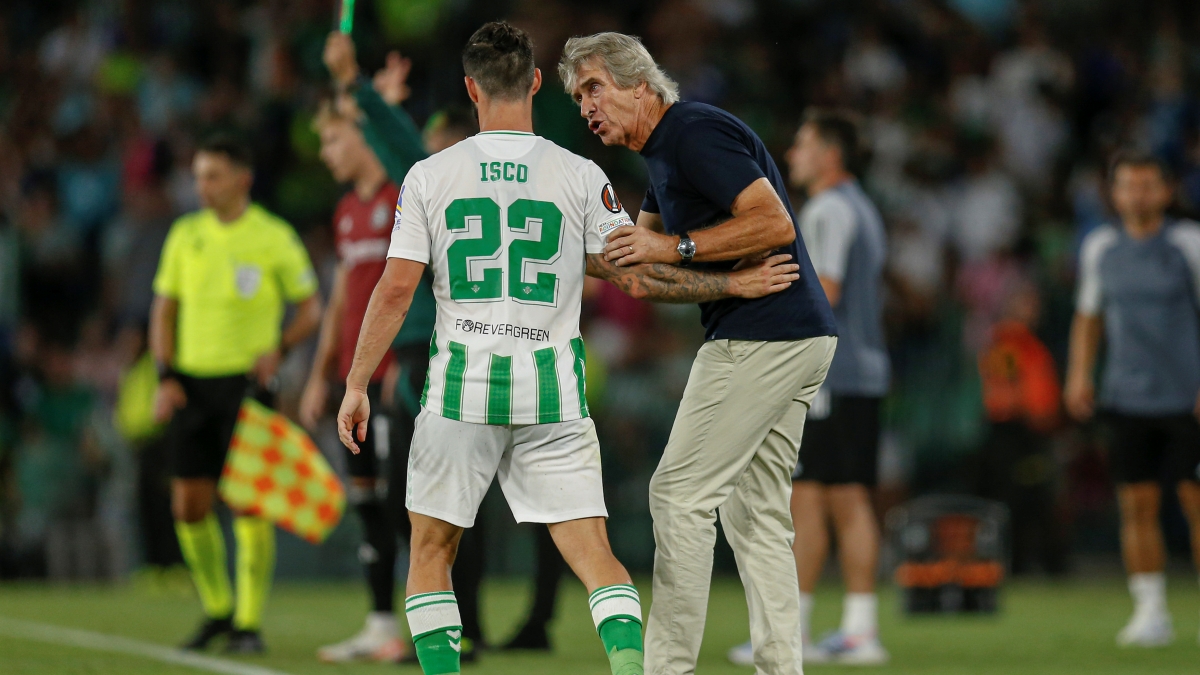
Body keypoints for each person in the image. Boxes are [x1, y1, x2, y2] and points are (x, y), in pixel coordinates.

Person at [336, 22, 799, 675]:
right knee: (595, 556)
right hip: (551, 391)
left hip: (460, 389)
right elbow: (636, 274)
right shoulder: (579, 174)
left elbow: (393, 291)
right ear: (531, 83)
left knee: (431, 549)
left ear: (471, 89)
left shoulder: (429, 176)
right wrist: (731, 281)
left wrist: (357, 382)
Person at [560, 33, 839, 675]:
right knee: (757, 514)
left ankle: (666, 668)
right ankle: (780, 666)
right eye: (579, 97)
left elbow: (773, 224)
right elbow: (639, 273)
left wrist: (676, 248)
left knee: (678, 494)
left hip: (763, 334)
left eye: (594, 88)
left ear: (640, 85)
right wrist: (565, 256)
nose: (586, 107)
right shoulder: (662, 154)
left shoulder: (691, 132)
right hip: (792, 332)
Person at [322, 33, 487, 660]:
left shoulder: (433, 189)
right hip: (450, 355)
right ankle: (452, 627)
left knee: (429, 503)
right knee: (432, 502)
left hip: (432, 357)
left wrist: (355, 85)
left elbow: (400, 152)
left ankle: (453, 629)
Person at [150, 135, 322, 653]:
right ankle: (218, 610)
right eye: (199, 175)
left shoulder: (272, 236)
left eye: (212, 175)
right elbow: (164, 309)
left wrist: (281, 348)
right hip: (191, 383)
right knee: (188, 507)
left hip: (246, 385)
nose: (202, 185)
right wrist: (164, 374)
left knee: (248, 504)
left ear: (242, 179)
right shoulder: (185, 234)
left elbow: (310, 309)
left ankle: (248, 623)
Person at [1064, 150, 1200, 648]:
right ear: (1114, 193)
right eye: (1127, 185)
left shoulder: (1189, 244)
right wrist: (1079, 374)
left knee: (1194, 501)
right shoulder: (1101, 246)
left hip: (1188, 400)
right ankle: (1150, 612)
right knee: (1137, 504)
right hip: (1127, 396)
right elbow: (1088, 315)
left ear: (1166, 191)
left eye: (1146, 185)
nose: (1136, 194)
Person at [299, 101, 408, 663]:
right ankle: (379, 622)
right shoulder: (345, 210)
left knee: (404, 507)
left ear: (364, 137)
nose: (326, 152)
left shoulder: (404, 197)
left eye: (334, 139)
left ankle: (433, 626)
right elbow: (342, 299)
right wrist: (324, 377)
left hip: (394, 377)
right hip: (355, 381)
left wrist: (406, 364)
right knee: (366, 503)